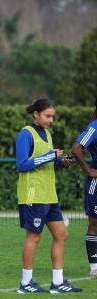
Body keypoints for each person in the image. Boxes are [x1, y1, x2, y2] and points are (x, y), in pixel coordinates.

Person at [15, 99, 82, 294]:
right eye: (48, 116)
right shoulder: (25, 134)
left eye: (53, 116)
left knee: (61, 234)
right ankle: (25, 283)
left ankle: (57, 283)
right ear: (36, 114)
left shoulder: (48, 134)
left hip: (49, 194)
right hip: (33, 193)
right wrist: (50, 156)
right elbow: (22, 165)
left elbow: (48, 164)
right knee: (34, 236)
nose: (51, 120)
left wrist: (62, 162)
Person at [71, 98, 97, 278]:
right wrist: (88, 170)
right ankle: (95, 267)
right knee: (95, 225)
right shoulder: (94, 127)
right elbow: (76, 148)